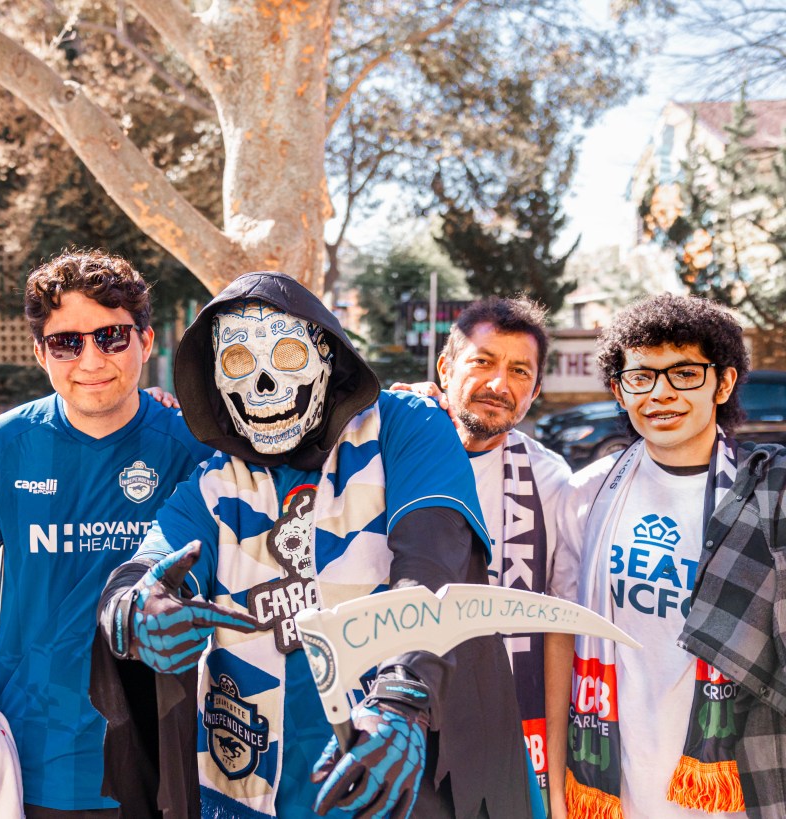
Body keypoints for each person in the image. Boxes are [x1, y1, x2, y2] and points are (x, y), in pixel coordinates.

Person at [96, 271, 535, 819]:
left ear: (326, 355)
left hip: (394, 770)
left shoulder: (405, 427)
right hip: (249, 785)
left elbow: (435, 560)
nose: (262, 384)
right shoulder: (216, 483)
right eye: (238, 364)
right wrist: (135, 615)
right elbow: (146, 570)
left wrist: (403, 693)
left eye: (285, 354)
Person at [0, 250, 215, 818]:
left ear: (147, 342)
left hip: (163, 751)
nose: (91, 359)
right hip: (34, 749)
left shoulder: (194, 448)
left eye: (111, 336)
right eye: (67, 342)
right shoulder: (0, 446)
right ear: (40, 353)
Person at [549, 293, 786, 818]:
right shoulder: (586, 494)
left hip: (733, 781)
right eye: (641, 377)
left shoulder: (764, 495)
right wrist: (556, 785)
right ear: (619, 388)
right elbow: (561, 634)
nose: (660, 394)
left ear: (722, 383)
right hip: (612, 780)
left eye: (684, 373)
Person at [395, 296, 571, 817]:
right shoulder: (382, 443)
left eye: (519, 371)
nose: (500, 383)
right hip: (390, 714)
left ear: (534, 392)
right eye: (483, 361)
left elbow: (557, 625)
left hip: (498, 726)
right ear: (445, 367)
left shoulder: (552, 481)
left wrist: (555, 782)